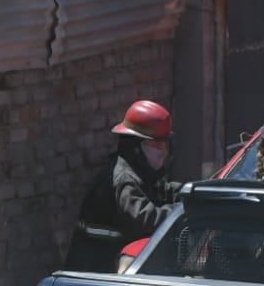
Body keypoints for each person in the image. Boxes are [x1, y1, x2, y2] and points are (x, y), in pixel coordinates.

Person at [65, 99, 180, 272]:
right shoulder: (124, 180)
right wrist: (180, 212)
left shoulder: (140, 172)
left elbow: (164, 191)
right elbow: (146, 219)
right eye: (156, 144)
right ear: (135, 146)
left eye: (164, 144)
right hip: (97, 274)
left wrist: (190, 193)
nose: (163, 151)